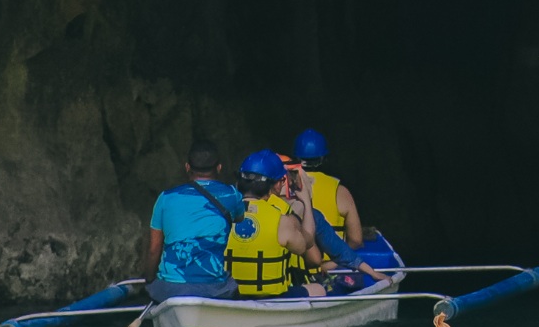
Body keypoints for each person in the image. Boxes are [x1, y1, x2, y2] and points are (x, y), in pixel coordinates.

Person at [142, 141, 250, 300]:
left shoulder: (165, 198)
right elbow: (240, 219)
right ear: (219, 168)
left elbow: (154, 249)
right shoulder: (232, 195)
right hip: (214, 287)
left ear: (187, 167)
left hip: (171, 288)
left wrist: (149, 280)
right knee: (233, 283)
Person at [225, 148, 324, 298]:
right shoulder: (282, 220)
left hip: (231, 296)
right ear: (277, 185)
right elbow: (306, 244)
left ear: (239, 182)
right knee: (319, 289)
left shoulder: (221, 215)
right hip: (271, 297)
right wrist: (306, 202)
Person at [288, 128, 373, 261]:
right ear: (324, 158)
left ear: (295, 158)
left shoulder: (283, 187)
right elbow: (356, 240)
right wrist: (336, 262)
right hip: (332, 268)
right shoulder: (340, 191)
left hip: (297, 270)